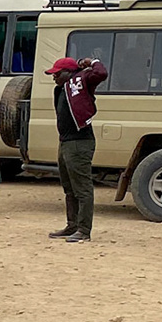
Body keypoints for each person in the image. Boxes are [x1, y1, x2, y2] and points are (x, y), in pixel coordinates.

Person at [47, 56, 108, 242]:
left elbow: (102, 73)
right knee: (69, 187)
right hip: (65, 142)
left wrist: (93, 61)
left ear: (68, 73)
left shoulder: (83, 80)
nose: (54, 77)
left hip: (80, 141)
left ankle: (84, 230)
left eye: (57, 74)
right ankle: (72, 225)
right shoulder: (60, 89)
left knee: (82, 188)